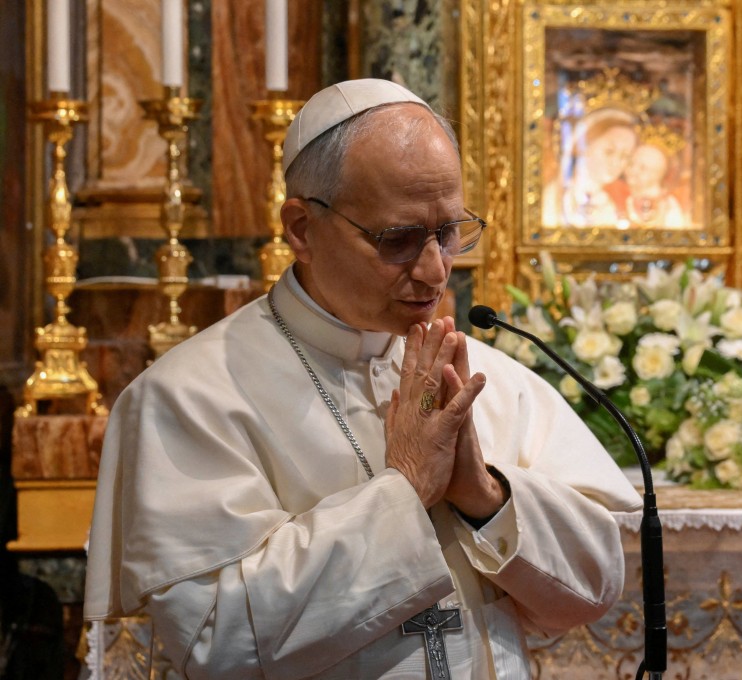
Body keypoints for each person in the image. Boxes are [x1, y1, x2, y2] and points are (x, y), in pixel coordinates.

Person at [84, 78, 642, 678]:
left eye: (449, 231)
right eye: (397, 239)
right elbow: (217, 640)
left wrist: (484, 495)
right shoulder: (189, 396)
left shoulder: (494, 378)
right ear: (301, 228)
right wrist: (405, 492)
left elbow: (595, 588)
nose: (435, 270)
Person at [542, 107, 638, 228]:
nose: (616, 162)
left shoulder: (610, 206)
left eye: (625, 156)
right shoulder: (553, 197)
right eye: (609, 151)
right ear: (584, 145)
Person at [622, 142, 690, 229]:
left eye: (643, 168)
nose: (632, 170)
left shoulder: (669, 207)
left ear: (658, 174)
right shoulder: (622, 199)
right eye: (631, 164)